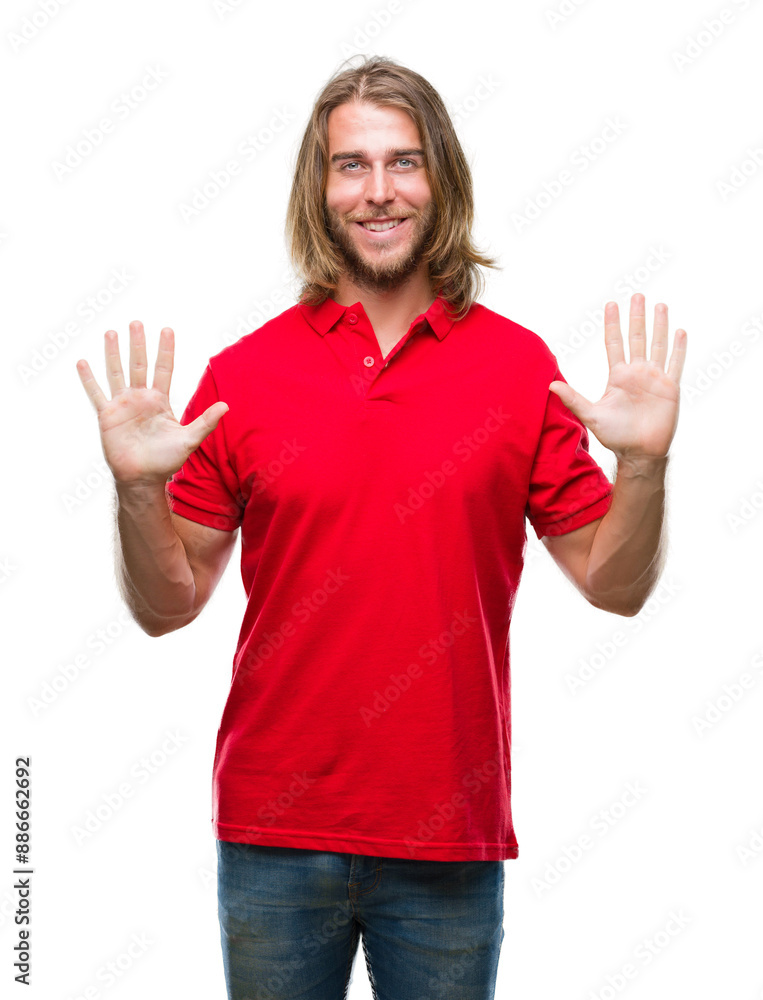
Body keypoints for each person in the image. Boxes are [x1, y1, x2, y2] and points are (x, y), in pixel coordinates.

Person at [76, 55, 687, 1000]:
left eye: (403, 162)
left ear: (441, 180)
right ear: (317, 192)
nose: (377, 191)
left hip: (447, 836)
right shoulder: (245, 373)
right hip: (273, 835)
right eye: (350, 165)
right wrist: (135, 493)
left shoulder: (520, 369)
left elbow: (616, 584)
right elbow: (168, 607)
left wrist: (642, 465)